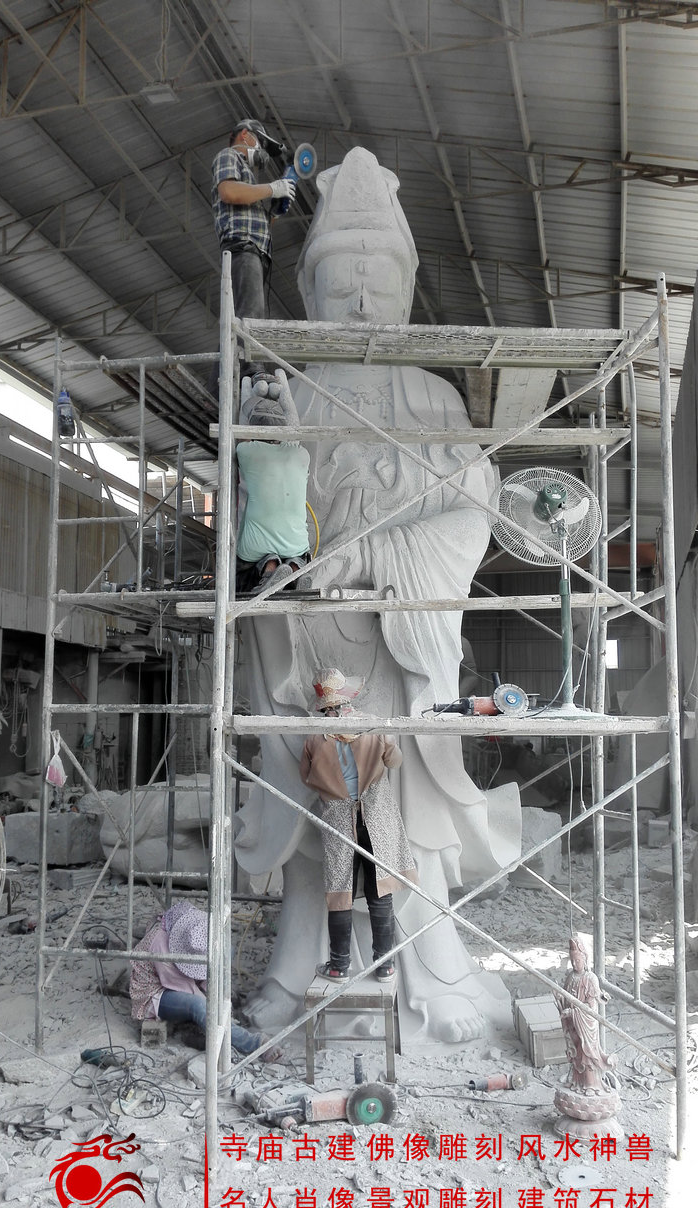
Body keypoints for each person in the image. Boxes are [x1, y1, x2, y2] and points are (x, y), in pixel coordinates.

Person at [235, 148, 521, 1045]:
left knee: (408, 816)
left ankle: (431, 967)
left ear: (406, 285)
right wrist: (270, 466)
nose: (359, 294)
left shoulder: (433, 394)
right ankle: (298, 965)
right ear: (309, 289)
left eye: (378, 275)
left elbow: (473, 511)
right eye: (339, 276)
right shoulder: (289, 388)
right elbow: (258, 514)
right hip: (309, 634)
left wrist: (378, 556)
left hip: (402, 629)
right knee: (310, 800)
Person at [300, 668, 418, 982]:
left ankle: (339, 966)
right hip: (375, 817)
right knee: (381, 889)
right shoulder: (373, 725)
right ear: (347, 697)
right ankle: (385, 965)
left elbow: (306, 777)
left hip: (339, 819)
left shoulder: (314, 736)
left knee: (340, 892)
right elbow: (395, 761)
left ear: (324, 705)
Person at [210, 118, 296, 406]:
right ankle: (251, 369)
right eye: (259, 142)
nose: (260, 150)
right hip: (242, 247)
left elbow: (256, 219)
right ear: (245, 135)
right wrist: (272, 188)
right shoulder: (229, 157)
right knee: (250, 312)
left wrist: (275, 211)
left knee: (241, 316)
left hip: (254, 249)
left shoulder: (249, 179)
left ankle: (219, 383)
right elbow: (229, 192)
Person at [129, 902, 281, 1061]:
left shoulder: (193, 927)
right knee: (199, 1006)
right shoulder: (159, 944)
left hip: (177, 981)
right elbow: (186, 989)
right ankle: (255, 1044)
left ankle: (217, 1028)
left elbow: (207, 974)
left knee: (225, 957)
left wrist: (220, 998)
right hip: (155, 993)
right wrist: (219, 1011)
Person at [235, 370, 312, 595]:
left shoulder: (247, 452)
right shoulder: (301, 454)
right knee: (297, 548)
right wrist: (281, 383)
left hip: (255, 546)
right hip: (296, 542)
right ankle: (296, 569)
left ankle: (270, 568)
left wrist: (247, 384)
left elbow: (241, 424)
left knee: (246, 559)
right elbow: (293, 422)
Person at [555, 936, 613, 1094]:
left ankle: (592, 1085)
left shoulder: (590, 978)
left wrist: (573, 1012)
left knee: (587, 1053)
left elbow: (591, 1007)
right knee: (576, 1053)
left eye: (578, 961)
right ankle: (577, 1082)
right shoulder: (570, 977)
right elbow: (566, 997)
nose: (575, 964)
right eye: (572, 961)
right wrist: (560, 998)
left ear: (585, 960)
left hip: (585, 1023)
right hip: (573, 1023)